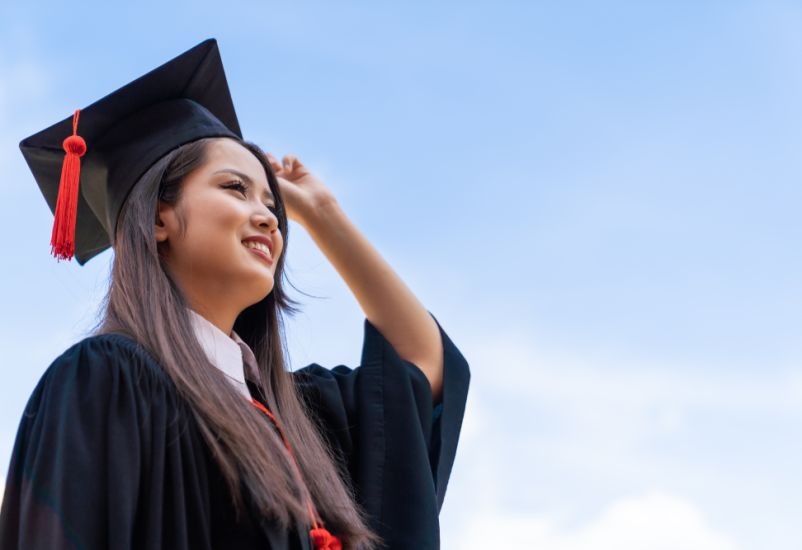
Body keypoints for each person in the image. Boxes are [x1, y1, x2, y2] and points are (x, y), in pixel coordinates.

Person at [0, 39, 470, 550]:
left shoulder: (300, 419)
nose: (269, 216)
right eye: (234, 188)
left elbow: (425, 362)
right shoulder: (108, 381)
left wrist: (322, 213)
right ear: (159, 217)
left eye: (273, 204)